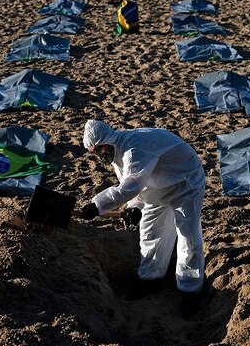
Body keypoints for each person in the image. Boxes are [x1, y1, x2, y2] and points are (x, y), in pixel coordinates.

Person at [79, 119, 208, 317]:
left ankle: (190, 291)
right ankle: (150, 280)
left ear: (106, 142)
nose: (99, 156)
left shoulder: (133, 149)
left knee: (187, 236)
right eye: (94, 153)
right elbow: (132, 180)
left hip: (185, 181)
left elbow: (132, 185)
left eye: (98, 151)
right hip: (157, 189)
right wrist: (134, 207)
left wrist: (97, 205)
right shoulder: (117, 151)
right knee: (150, 233)